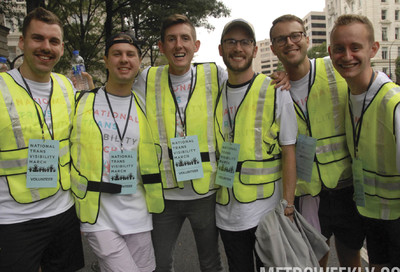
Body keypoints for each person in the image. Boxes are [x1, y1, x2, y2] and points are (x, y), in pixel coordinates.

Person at [269, 14, 365, 268]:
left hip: (346, 189)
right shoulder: (274, 89)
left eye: (295, 35)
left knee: (351, 260)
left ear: (307, 38)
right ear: (273, 48)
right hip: (307, 194)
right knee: (314, 262)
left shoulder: (333, 67)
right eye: (281, 39)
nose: (289, 42)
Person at [133, 14, 226, 272]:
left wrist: (283, 77)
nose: (179, 45)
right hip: (163, 193)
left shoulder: (214, 74)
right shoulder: (147, 79)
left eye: (185, 38)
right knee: (160, 263)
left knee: (210, 262)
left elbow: (245, 86)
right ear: (161, 47)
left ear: (196, 46)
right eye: (171, 39)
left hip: (205, 190)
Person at [70, 32, 164, 272]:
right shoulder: (81, 101)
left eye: (130, 54)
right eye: (117, 54)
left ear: (139, 62)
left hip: (138, 212)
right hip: (98, 213)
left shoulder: (147, 105)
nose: (124, 59)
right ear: (106, 60)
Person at [0, 7, 84, 271]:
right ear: (22, 43)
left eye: (54, 41)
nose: (46, 47)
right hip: (13, 219)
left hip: (64, 212)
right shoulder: (1, 87)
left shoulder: (66, 86)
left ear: (61, 48)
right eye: (38, 38)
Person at [214, 18, 298, 272]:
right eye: (231, 42)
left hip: (267, 213)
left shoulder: (275, 90)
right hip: (227, 213)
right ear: (221, 50)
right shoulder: (215, 91)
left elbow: (289, 150)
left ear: (254, 49)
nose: (238, 48)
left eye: (245, 42)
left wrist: (289, 205)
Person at [329, 14, 400, 270]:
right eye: (339, 49)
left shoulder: (392, 103)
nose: (346, 55)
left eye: (355, 47)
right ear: (330, 52)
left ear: (374, 49)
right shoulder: (350, 93)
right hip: (374, 215)